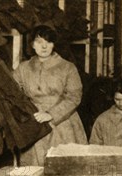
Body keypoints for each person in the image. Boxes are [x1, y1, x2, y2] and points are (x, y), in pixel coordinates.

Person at [13, 25, 87, 166]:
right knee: (34, 170)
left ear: (54, 44)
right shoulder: (23, 68)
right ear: (32, 44)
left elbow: (74, 97)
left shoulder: (67, 67)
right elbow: (13, 93)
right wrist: (28, 113)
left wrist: (51, 114)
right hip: (34, 122)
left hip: (63, 122)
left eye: (48, 42)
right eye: (39, 42)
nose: (44, 46)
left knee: (64, 168)